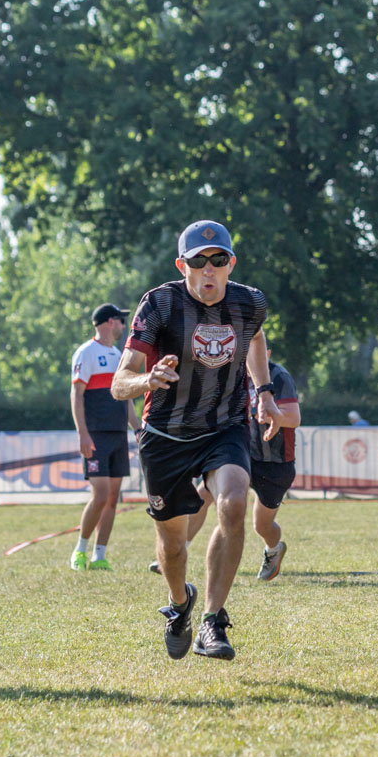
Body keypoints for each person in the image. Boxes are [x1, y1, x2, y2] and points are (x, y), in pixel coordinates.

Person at [111, 220, 282, 663]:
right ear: (181, 265)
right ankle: (179, 602)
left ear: (231, 263)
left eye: (218, 260)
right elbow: (119, 383)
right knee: (172, 545)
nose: (209, 269)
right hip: (165, 434)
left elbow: (255, 337)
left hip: (224, 426)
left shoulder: (250, 303)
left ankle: (212, 619)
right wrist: (147, 379)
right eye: (198, 261)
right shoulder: (160, 304)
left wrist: (264, 392)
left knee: (234, 502)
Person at [150, 362, 301, 582]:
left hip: (273, 462)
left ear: (265, 352)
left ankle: (273, 549)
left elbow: (294, 418)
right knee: (202, 496)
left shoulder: (278, 376)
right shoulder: (230, 373)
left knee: (262, 526)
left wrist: (259, 412)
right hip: (237, 452)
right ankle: (178, 550)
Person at [69, 303, 140, 571]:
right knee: (99, 495)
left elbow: (125, 399)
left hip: (117, 434)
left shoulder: (118, 355)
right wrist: (82, 433)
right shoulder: (86, 352)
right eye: (121, 320)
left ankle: (100, 555)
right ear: (110, 322)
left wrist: (137, 429)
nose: (123, 325)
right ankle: (80, 550)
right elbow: (77, 395)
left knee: (112, 498)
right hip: (96, 435)